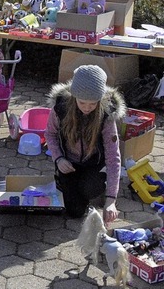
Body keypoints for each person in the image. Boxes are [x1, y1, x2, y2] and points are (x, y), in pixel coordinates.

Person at [45, 65, 125, 223]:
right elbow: (50, 134)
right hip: (69, 163)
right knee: (74, 211)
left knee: (89, 189)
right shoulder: (60, 108)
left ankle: (98, 189)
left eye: (93, 104)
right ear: (74, 97)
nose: (87, 108)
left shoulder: (106, 115)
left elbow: (113, 156)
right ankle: (66, 183)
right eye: (82, 103)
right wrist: (59, 159)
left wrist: (111, 201)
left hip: (93, 164)